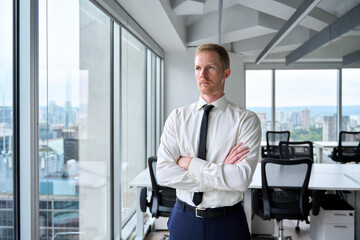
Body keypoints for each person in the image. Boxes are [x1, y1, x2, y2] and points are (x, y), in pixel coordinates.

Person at [156, 43, 261, 240]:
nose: (202, 75)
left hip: (228, 222)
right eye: (198, 68)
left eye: (210, 68)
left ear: (226, 73)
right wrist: (221, 170)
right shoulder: (177, 118)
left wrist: (189, 164)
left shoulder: (245, 120)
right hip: (184, 218)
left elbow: (240, 180)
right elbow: (163, 174)